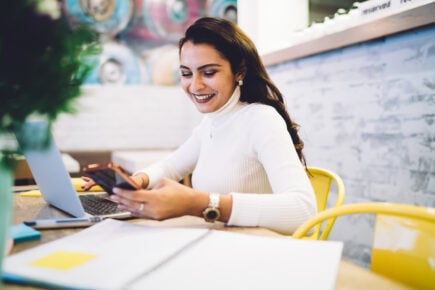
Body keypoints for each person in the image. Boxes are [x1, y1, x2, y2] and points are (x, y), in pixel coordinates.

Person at [84, 17, 317, 235]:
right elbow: (171, 167)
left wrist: (199, 203)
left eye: (208, 72)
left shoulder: (261, 120)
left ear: (239, 72)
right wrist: (137, 180)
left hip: (254, 255)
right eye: (186, 73)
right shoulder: (212, 123)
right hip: (219, 246)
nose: (195, 86)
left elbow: (303, 210)